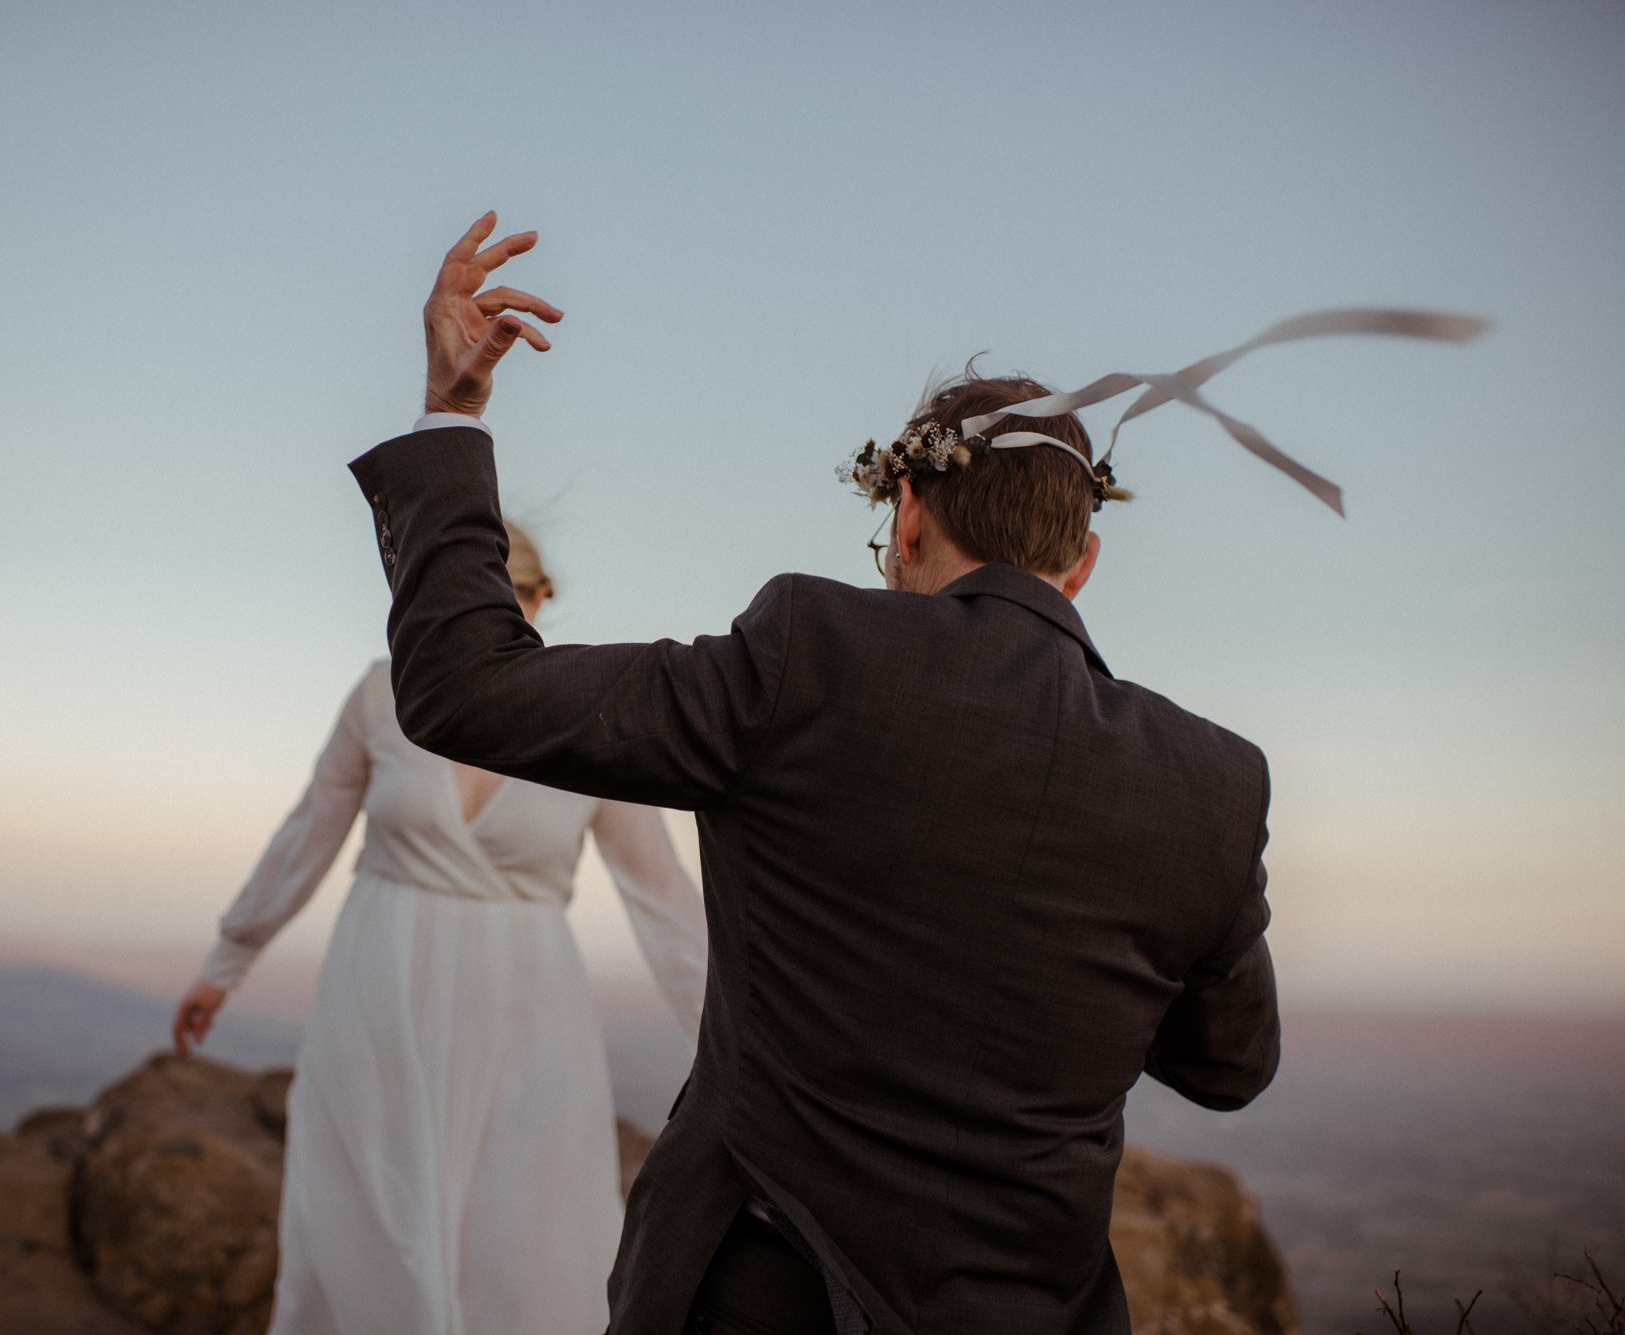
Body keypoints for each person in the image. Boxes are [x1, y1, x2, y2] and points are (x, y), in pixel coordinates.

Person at [342, 213, 1282, 1335]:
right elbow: (1228, 1066)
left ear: (904, 515)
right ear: (1080, 561)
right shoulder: (1212, 784)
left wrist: (450, 413)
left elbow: (463, 688)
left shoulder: (808, 658)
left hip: (757, 1294)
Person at [169, 520, 709, 1335]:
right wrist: (229, 957)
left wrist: (741, 1041)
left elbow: (664, 896)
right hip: (380, 998)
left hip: (528, 1015)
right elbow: (305, 834)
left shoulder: (592, 705)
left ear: (529, 599)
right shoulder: (381, 695)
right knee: (368, 1227)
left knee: (523, 1244)